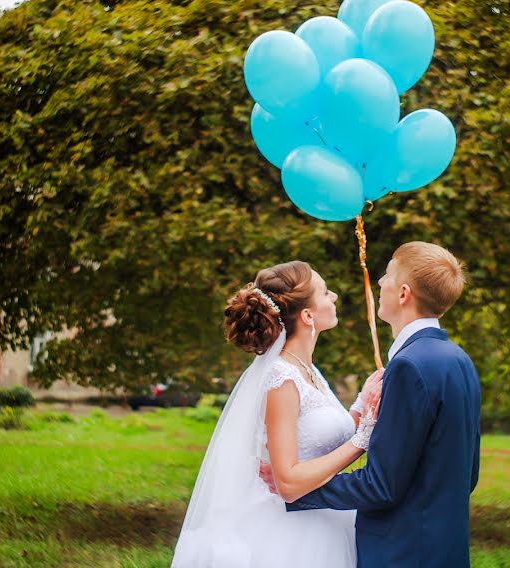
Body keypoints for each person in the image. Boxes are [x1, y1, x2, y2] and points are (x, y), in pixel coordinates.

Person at [274, 241, 482, 567]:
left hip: (403, 551)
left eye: (386, 275)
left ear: (403, 294)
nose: (379, 283)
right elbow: (468, 475)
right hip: (446, 548)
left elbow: (380, 486)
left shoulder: (409, 365)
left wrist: (296, 491)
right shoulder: (460, 360)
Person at [171, 260, 382, 568]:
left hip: (328, 519)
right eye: (325, 292)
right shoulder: (282, 379)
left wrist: (364, 402)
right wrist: (362, 441)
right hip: (294, 536)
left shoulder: (307, 370)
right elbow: (288, 483)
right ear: (308, 315)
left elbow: (321, 438)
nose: (334, 296)